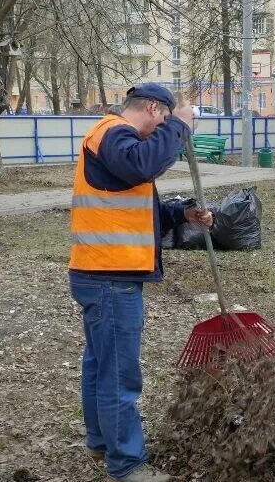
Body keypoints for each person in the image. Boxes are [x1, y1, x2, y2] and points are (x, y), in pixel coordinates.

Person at [68, 83, 213, 482]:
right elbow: (143, 166)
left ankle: (102, 441)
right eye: (164, 119)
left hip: (102, 272)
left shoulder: (117, 142)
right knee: (118, 373)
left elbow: (135, 204)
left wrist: (183, 215)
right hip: (109, 276)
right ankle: (127, 464)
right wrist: (180, 126)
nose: (164, 127)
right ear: (153, 108)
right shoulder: (114, 134)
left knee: (101, 365)